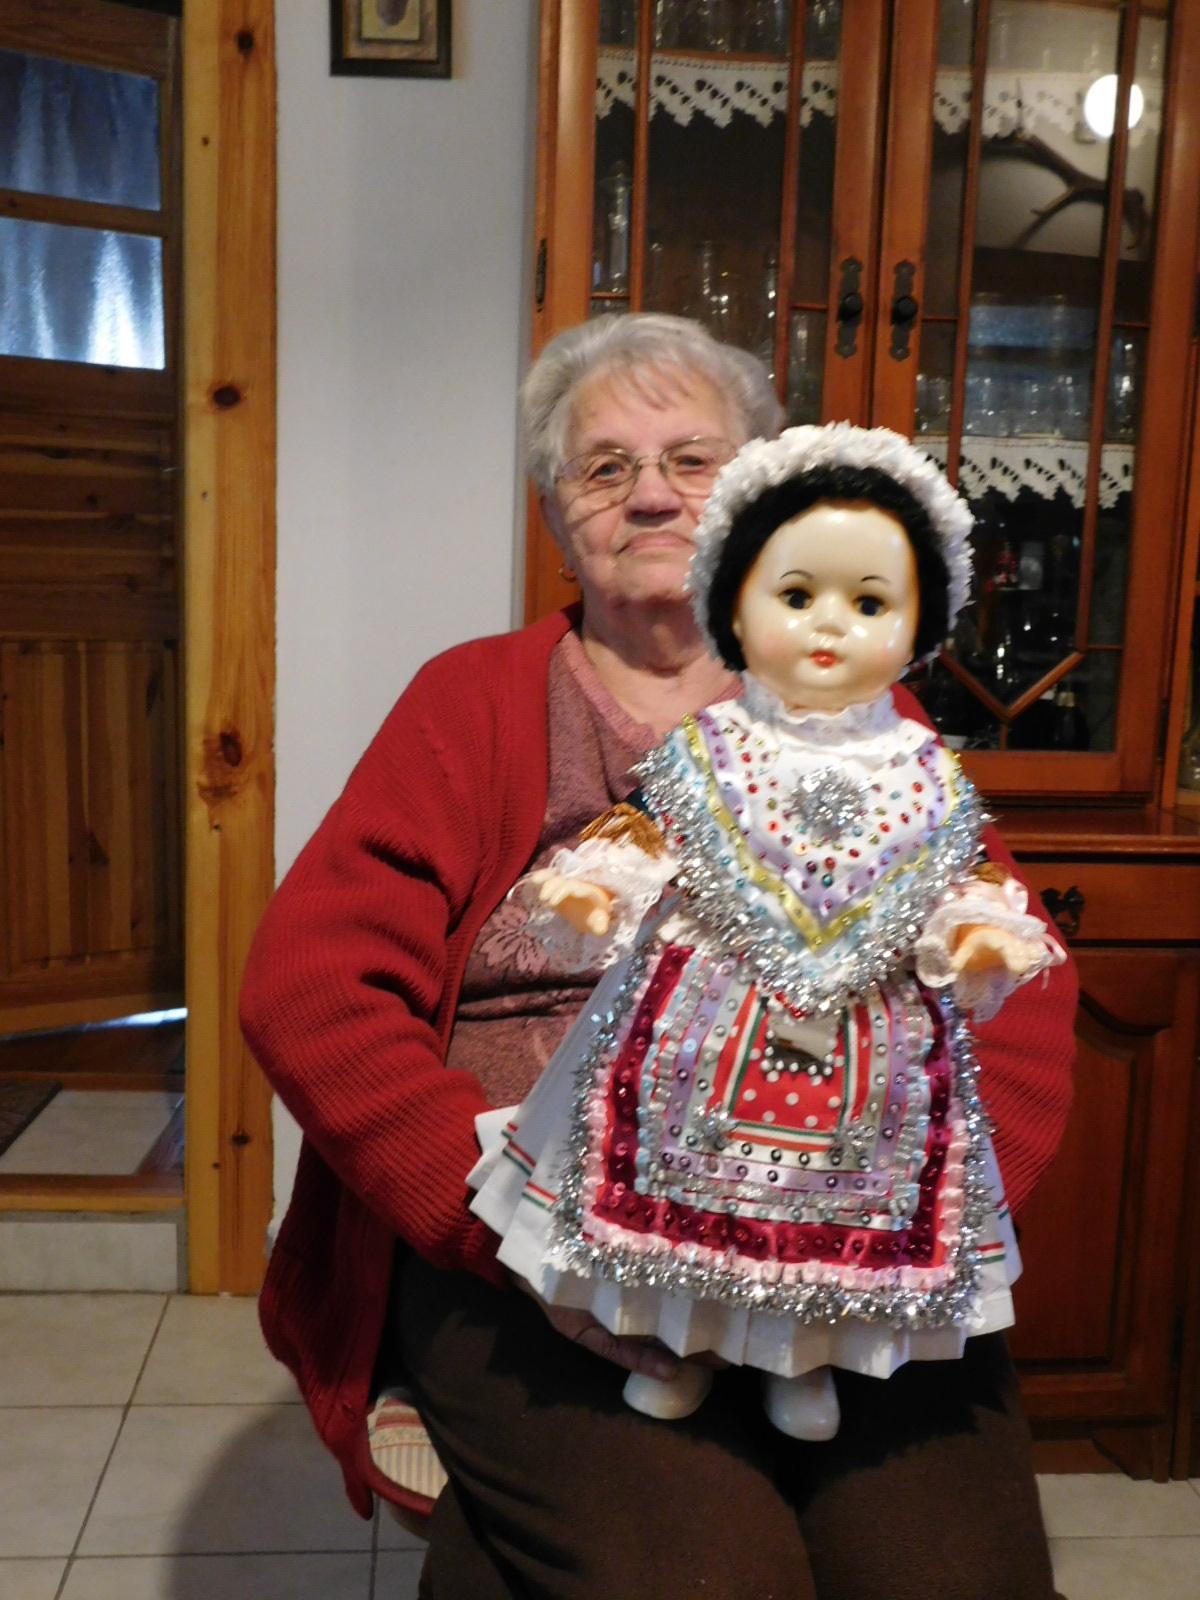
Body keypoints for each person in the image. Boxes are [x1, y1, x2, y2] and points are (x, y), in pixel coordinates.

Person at [240, 314, 1077, 1599]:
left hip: (858, 1241)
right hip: (542, 1237)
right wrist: (493, 1219)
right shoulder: (474, 700)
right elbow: (313, 987)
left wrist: (919, 1218)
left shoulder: (874, 722)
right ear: (553, 511)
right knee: (704, 1576)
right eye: (603, 467)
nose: (649, 495)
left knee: (955, 1577)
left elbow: (1013, 980)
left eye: (692, 460)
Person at [467, 423, 1065, 1441]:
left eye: (869, 604)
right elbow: (647, 830)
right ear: (734, 607)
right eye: (795, 595)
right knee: (678, 1192)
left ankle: (804, 1362)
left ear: (921, 625)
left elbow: (960, 872)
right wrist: (596, 892)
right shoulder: (712, 745)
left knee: (828, 1211)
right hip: (699, 1035)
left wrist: (977, 932)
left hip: (866, 1047)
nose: (829, 625)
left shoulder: (922, 770)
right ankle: (682, 1345)